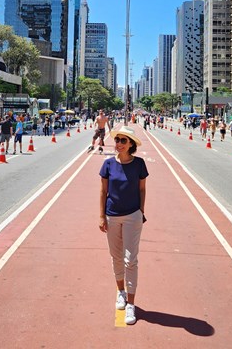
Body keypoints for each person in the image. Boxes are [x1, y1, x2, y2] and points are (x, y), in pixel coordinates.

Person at [99, 127, 148, 326]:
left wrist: (141, 212)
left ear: (131, 145)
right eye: (117, 139)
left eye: (122, 140)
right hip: (111, 216)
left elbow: (142, 189)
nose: (118, 143)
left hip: (132, 216)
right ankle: (120, 292)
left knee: (131, 260)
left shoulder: (139, 164)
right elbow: (103, 192)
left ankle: (131, 304)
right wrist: (101, 216)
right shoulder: (108, 164)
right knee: (116, 257)